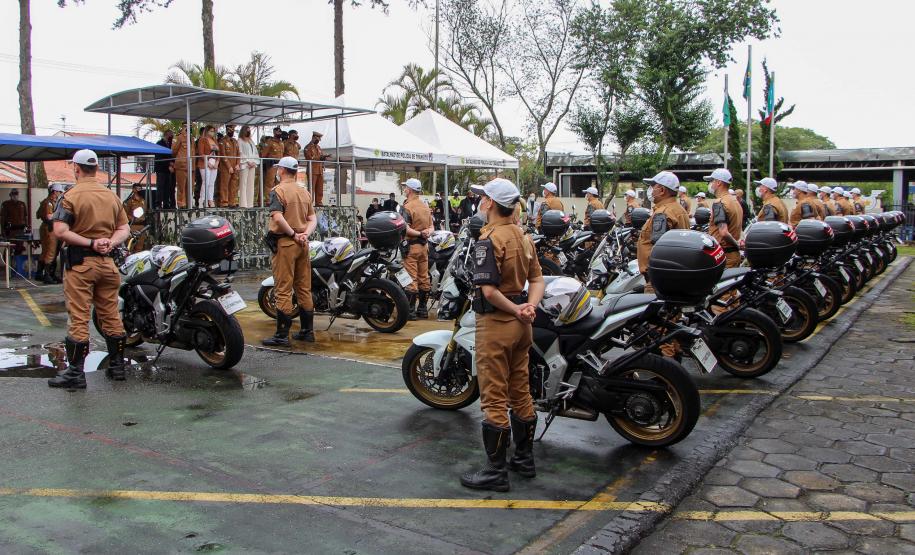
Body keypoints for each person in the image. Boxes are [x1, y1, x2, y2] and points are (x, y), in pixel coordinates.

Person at [460, 177, 545, 492]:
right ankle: (524, 459)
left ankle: (495, 473)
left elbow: (489, 291)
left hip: (497, 323)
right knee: (520, 391)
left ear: (491, 204)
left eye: (483, 199)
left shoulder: (490, 239)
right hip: (522, 325)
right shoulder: (523, 236)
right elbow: (537, 280)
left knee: (494, 398)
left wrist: (513, 309)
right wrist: (528, 309)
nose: (481, 203)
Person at [49, 149, 130, 388]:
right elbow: (124, 228)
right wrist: (110, 242)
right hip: (108, 265)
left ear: (76, 168)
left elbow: (60, 231)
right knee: (111, 315)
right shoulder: (111, 196)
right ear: (96, 168)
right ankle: (117, 367)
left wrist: (91, 242)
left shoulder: (70, 196)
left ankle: (75, 373)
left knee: (79, 317)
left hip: (81, 265)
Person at [262, 157, 318, 347]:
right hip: (303, 245)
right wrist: (304, 235)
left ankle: (281, 335)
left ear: (282, 171)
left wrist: (294, 234)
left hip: (286, 244)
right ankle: (307, 331)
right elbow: (312, 218)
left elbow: (277, 218)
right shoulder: (304, 191)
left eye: (278, 169)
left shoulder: (278, 191)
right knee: (303, 287)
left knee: (283, 288)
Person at [637, 172, 690, 291]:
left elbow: (658, 249)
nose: (650, 189)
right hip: (671, 275)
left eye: (653, 186)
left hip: (658, 281)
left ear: (662, 190)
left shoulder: (663, 213)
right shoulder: (678, 209)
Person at [401, 178, 434, 320]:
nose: (404, 190)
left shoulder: (407, 207)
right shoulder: (425, 206)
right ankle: (423, 310)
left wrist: (419, 233)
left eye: (405, 188)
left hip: (412, 247)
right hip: (424, 247)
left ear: (409, 190)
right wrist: (426, 233)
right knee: (424, 278)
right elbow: (432, 227)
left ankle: (411, 312)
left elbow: (405, 229)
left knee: (411, 279)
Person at [704, 168, 742, 268]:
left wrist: (736, 245)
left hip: (723, 256)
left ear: (719, 182)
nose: (710, 184)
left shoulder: (719, 203)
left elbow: (723, 232)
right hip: (733, 256)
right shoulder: (735, 201)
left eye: (711, 181)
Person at [35, 184, 64, 284]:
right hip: (50, 227)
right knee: (51, 251)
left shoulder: (47, 201)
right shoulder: (49, 203)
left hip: (46, 227)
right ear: (54, 192)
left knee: (46, 251)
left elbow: (38, 214)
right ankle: (48, 275)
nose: (60, 194)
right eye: (59, 192)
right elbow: (48, 217)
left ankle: (40, 274)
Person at [217, 124, 240, 208]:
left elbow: (238, 154)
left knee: (233, 185)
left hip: (235, 166)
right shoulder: (223, 141)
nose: (232, 131)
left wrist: (238, 164)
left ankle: (232, 201)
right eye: (231, 130)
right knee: (224, 185)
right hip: (226, 167)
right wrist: (229, 166)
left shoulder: (235, 141)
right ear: (227, 130)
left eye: (233, 130)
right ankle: (224, 202)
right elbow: (223, 155)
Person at [304, 131, 330, 206]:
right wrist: (320, 157)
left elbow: (320, 157)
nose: (318, 140)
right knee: (311, 188)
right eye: (317, 138)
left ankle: (319, 202)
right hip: (312, 170)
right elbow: (309, 158)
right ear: (313, 137)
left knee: (320, 188)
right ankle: (309, 203)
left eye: (319, 139)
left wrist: (324, 157)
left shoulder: (318, 147)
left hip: (319, 170)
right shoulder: (307, 147)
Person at [260, 127, 286, 201]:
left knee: (279, 183)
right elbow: (263, 154)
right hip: (272, 164)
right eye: (278, 132)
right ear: (274, 133)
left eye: (280, 132)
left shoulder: (281, 143)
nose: (280, 134)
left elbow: (282, 154)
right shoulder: (269, 142)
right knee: (269, 182)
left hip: (280, 165)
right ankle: (268, 199)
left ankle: (278, 199)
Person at [196, 125, 219, 208]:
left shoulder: (214, 140)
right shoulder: (202, 140)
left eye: (213, 131)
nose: (212, 133)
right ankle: (201, 201)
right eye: (211, 131)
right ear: (207, 131)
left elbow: (218, 154)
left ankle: (210, 200)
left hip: (214, 162)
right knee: (206, 182)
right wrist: (207, 163)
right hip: (205, 163)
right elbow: (201, 153)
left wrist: (217, 162)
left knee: (212, 183)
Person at [237, 125, 258, 209]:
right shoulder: (240, 140)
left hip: (252, 164)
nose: (248, 132)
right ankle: (243, 204)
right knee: (243, 183)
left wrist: (254, 161)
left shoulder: (251, 141)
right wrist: (247, 160)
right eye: (247, 130)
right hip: (244, 164)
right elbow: (240, 152)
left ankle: (250, 203)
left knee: (251, 184)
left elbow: (256, 153)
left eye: (249, 130)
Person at [123, 183, 148, 253]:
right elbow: (125, 214)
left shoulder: (143, 200)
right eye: (137, 189)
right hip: (133, 226)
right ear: (133, 190)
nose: (139, 190)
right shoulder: (129, 201)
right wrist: (132, 219)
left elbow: (145, 212)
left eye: (140, 189)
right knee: (130, 246)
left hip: (142, 226)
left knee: (140, 248)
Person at [154, 129, 175, 209]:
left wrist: (172, 164)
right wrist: (169, 164)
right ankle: (158, 204)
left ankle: (166, 203)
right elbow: (159, 157)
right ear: (166, 134)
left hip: (168, 170)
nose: (171, 136)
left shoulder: (170, 144)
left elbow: (172, 155)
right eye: (170, 135)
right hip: (161, 169)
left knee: (167, 187)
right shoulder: (159, 143)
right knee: (160, 186)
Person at [171, 123, 191, 208]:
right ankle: (181, 203)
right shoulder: (179, 137)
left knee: (189, 187)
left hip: (190, 165)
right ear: (183, 127)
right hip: (181, 165)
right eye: (186, 126)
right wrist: (180, 159)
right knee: (181, 186)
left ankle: (188, 203)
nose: (188, 128)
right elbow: (174, 150)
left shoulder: (191, 138)